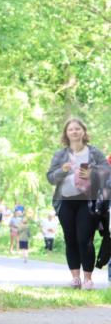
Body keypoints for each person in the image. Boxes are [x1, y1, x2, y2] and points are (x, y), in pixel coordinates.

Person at [46, 118, 108, 289]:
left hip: (87, 202)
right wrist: (62, 170)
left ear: (83, 132)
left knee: (85, 239)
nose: (74, 131)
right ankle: (75, 278)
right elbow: (51, 178)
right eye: (70, 129)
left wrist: (92, 173)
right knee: (70, 238)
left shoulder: (94, 153)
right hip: (65, 201)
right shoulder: (60, 155)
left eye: (77, 128)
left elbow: (106, 172)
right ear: (66, 134)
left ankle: (88, 279)